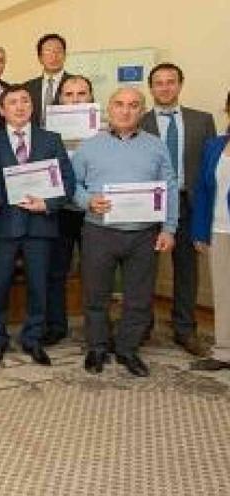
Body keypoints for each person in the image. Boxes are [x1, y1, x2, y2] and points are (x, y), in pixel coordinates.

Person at [73, 87, 177, 377]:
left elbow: (169, 187)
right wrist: (87, 200)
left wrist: (169, 228)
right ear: (109, 108)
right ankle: (97, 347)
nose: (125, 110)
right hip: (99, 232)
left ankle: (128, 349)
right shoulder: (89, 146)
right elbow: (72, 185)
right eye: (119, 104)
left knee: (139, 297)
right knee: (96, 294)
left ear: (142, 110)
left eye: (133, 105)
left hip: (144, 235)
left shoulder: (156, 145)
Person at [0, 84, 75, 366]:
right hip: (4, 227)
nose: (20, 106)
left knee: (39, 286)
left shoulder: (52, 140)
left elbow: (68, 183)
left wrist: (47, 204)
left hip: (41, 226)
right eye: (12, 102)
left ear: (32, 107)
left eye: (25, 101)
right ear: (2, 110)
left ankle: (33, 338)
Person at [141, 63, 217, 354]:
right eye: (158, 83)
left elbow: (211, 168)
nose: (164, 87)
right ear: (151, 88)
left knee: (187, 269)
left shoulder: (202, 120)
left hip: (188, 203)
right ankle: (142, 325)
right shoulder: (139, 120)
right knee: (143, 267)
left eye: (170, 82)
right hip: (149, 203)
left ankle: (184, 329)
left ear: (180, 85)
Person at [44, 75, 94, 345]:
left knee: (96, 272)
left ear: (91, 97)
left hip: (93, 211)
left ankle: (95, 328)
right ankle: (55, 325)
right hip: (59, 209)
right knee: (56, 271)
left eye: (81, 94)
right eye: (68, 94)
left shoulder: (106, 130)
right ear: (59, 98)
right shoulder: (47, 132)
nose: (75, 99)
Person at [189, 91, 230, 371]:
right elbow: (203, 190)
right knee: (223, 293)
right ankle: (224, 352)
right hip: (218, 229)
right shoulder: (215, 145)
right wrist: (200, 231)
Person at [24, 33, 73, 127]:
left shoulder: (77, 84)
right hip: (36, 139)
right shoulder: (28, 87)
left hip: (68, 139)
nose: (54, 56)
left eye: (58, 51)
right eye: (48, 51)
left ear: (65, 55)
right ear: (40, 58)